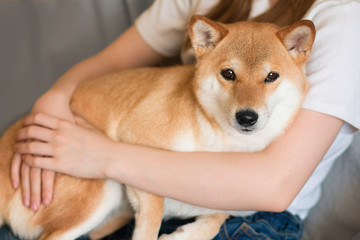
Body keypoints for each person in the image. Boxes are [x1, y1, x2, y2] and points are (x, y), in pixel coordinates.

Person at [2, 0, 360, 239]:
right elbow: (110, 63)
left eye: (268, 79)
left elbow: (274, 185)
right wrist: (51, 103)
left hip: (247, 220)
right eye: (230, 76)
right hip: (110, 187)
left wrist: (101, 155)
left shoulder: (342, 17)